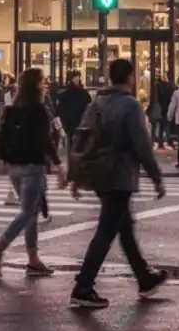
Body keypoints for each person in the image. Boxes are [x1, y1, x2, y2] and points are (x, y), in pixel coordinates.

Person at [71, 58, 168, 308]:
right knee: (107, 230)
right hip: (120, 174)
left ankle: (144, 277)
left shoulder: (97, 103)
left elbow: (81, 140)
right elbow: (142, 145)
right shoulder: (130, 105)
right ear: (130, 77)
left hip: (99, 173)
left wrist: (77, 175)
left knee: (124, 227)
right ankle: (83, 285)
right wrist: (156, 177)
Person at [0, 69, 61, 279]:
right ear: (36, 86)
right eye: (42, 82)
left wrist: (2, 160)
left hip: (14, 167)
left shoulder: (12, 110)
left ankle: (33, 260)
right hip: (32, 166)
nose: (45, 86)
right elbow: (44, 139)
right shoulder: (38, 110)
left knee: (31, 214)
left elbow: (0, 138)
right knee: (27, 212)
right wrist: (58, 163)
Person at [57, 71, 93, 142]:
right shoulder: (84, 93)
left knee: (72, 142)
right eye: (75, 77)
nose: (77, 79)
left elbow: (60, 110)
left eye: (78, 77)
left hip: (71, 124)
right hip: (80, 123)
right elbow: (90, 107)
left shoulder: (65, 95)